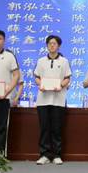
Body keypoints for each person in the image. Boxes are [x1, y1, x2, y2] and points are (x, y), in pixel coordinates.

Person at [34, 35, 72, 165]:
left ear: (58, 46)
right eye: (49, 43)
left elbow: (67, 78)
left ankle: (56, 155)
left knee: (57, 128)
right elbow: (37, 77)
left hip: (58, 100)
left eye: (54, 43)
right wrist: (40, 85)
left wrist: (60, 85)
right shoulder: (41, 61)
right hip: (43, 100)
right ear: (47, 45)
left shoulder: (64, 61)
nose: (52, 45)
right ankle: (44, 154)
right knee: (44, 128)